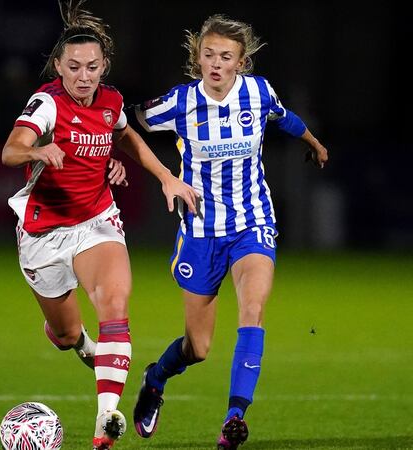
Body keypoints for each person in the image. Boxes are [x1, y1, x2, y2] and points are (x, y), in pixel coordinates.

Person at [1, 2, 199, 448]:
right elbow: (10, 150)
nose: (84, 76)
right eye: (74, 67)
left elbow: (125, 133)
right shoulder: (47, 103)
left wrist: (166, 176)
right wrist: (36, 152)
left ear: (104, 66)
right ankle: (85, 347)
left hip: (96, 220)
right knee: (66, 333)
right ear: (58, 66)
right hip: (43, 234)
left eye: (92, 67)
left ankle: (105, 423)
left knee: (114, 300)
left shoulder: (111, 102)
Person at [129, 14, 329, 449]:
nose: (216, 64)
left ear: (241, 63)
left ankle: (233, 418)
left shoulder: (258, 92)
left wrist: (312, 141)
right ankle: (156, 377)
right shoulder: (179, 103)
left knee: (252, 310)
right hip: (201, 233)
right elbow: (126, 124)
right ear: (197, 58)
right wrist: (124, 163)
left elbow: (285, 118)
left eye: (226, 57)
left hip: (252, 222)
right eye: (208, 55)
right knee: (197, 348)